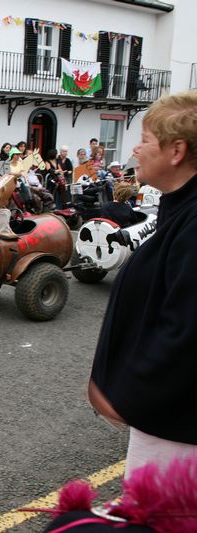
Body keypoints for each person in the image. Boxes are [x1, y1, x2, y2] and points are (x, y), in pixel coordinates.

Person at [89, 91, 197, 479]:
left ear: (176, 151)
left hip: (176, 430)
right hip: (166, 422)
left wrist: (127, 394)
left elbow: (187, 333)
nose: (136, 149)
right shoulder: (180, 208)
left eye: (146, 140)